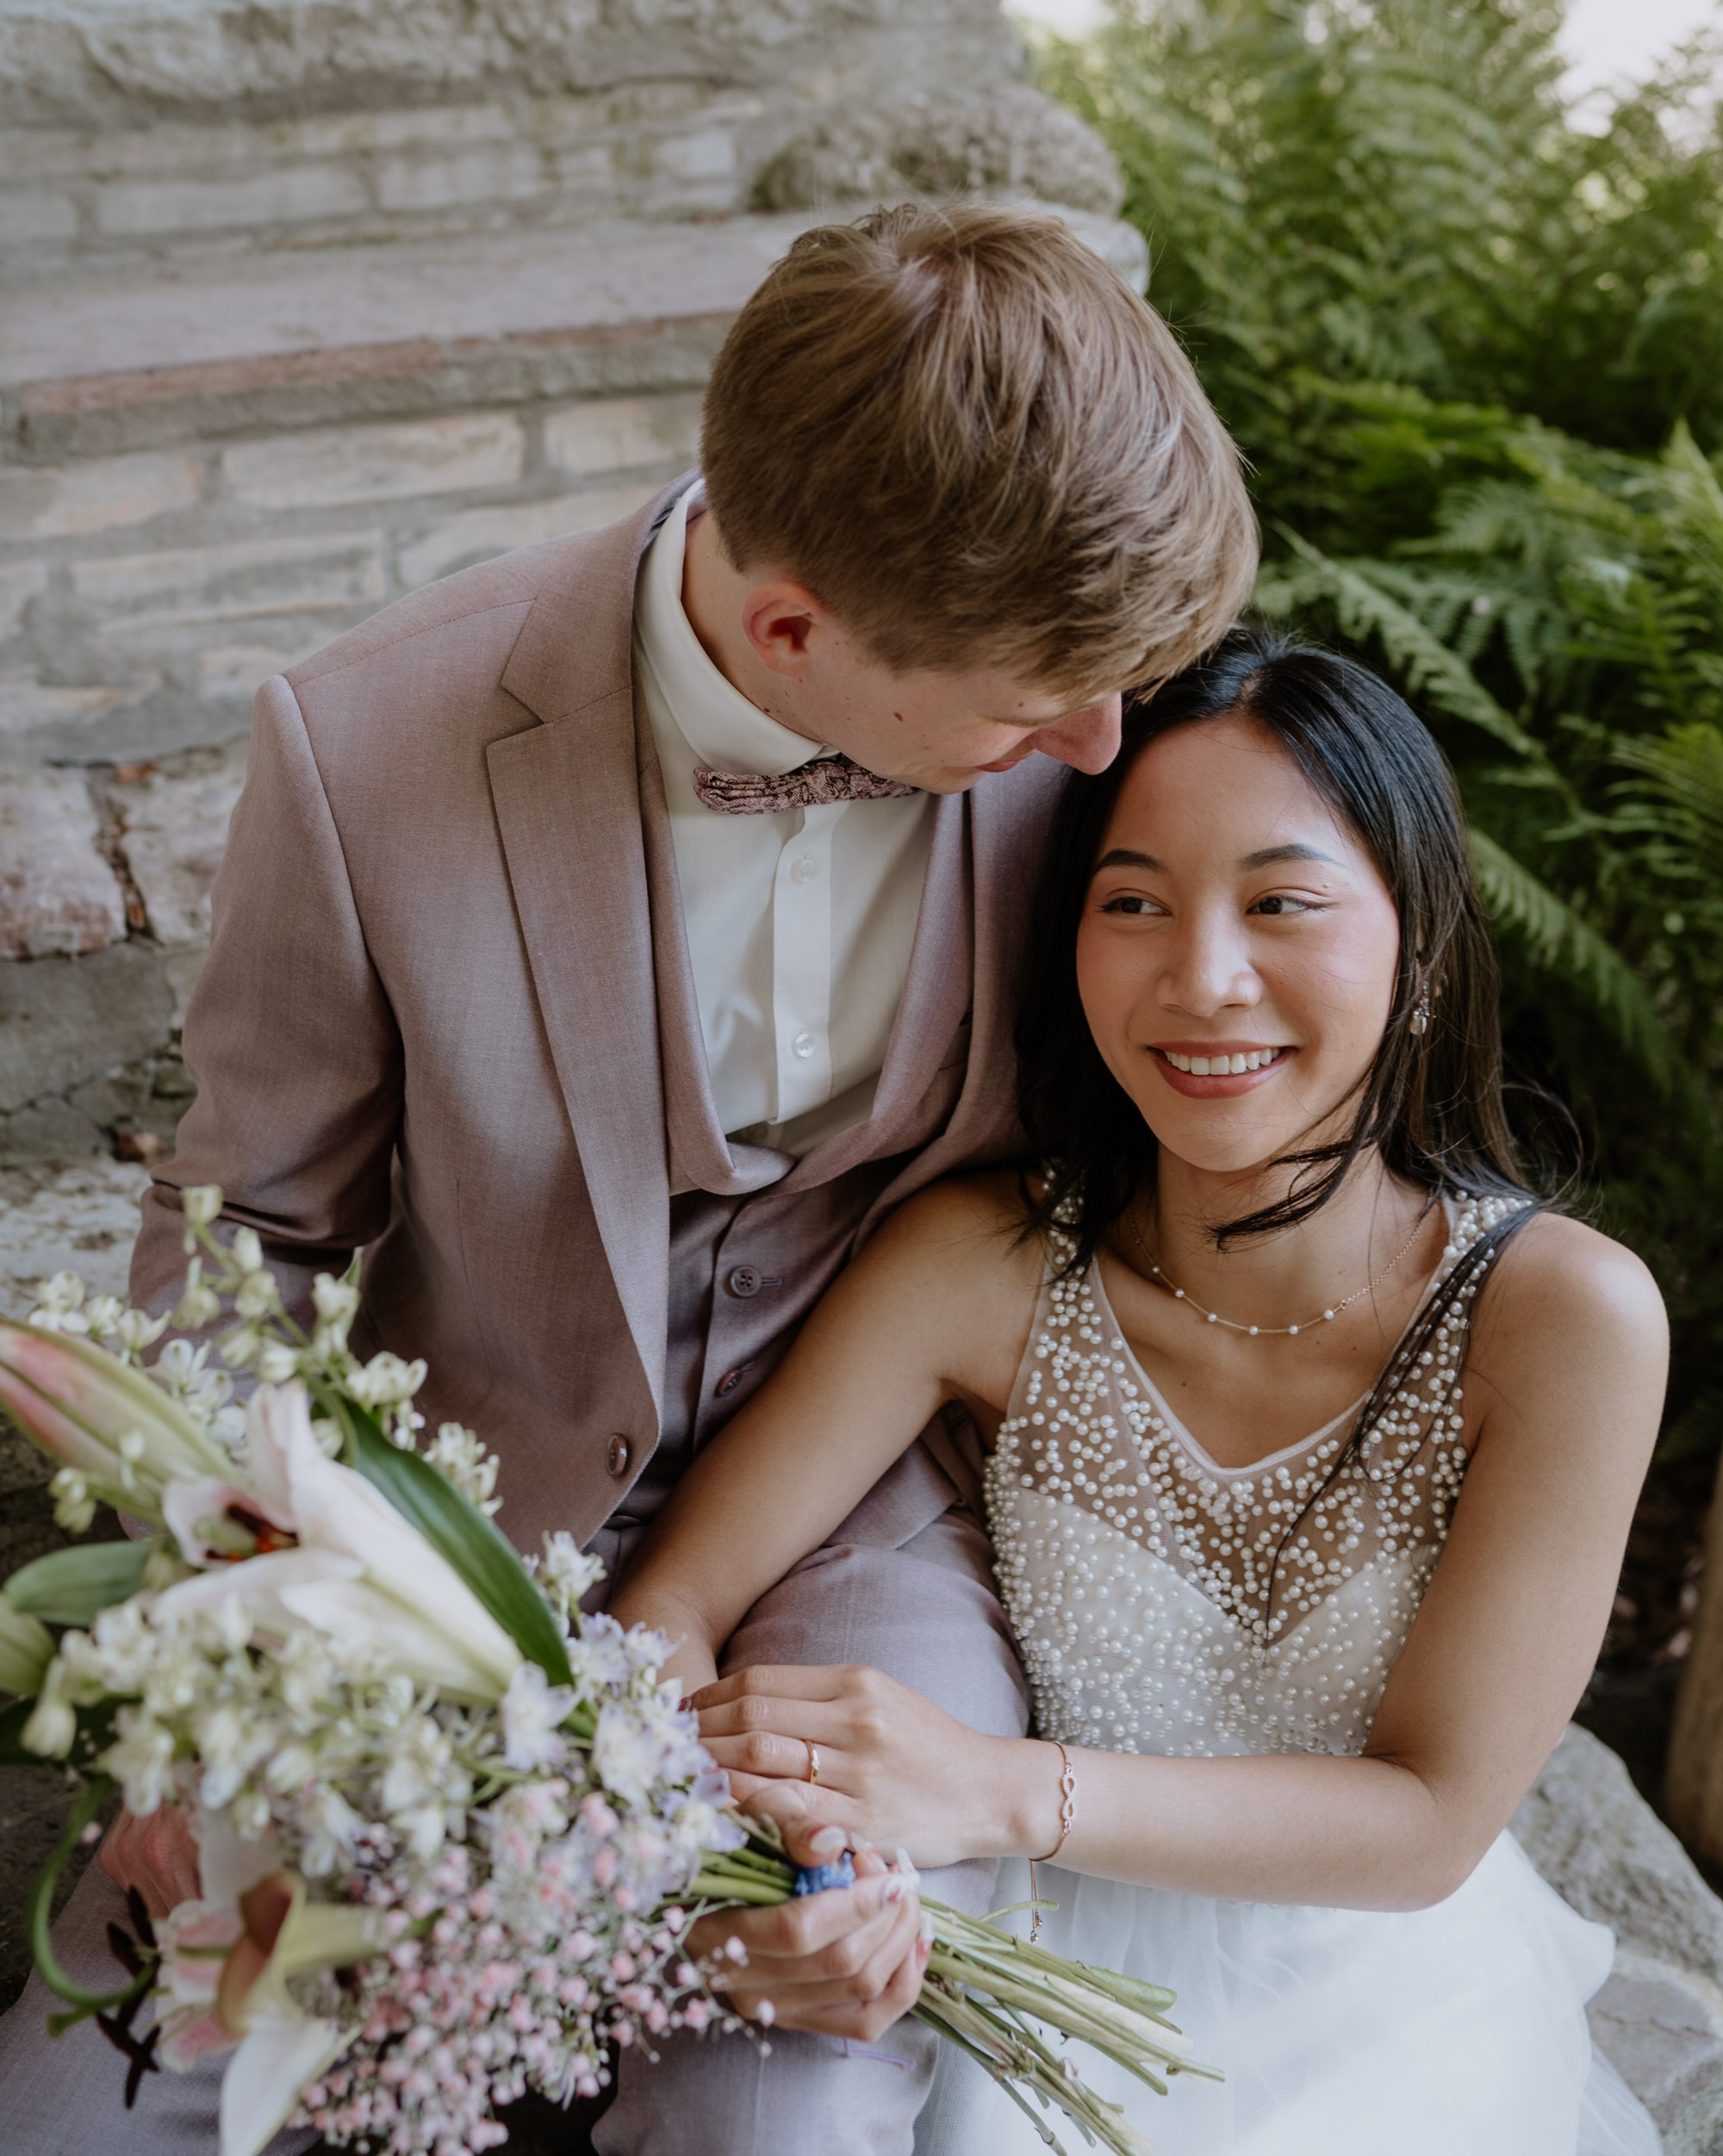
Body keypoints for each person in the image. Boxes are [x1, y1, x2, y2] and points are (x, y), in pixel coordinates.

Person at [0, 203, 1256, 2155]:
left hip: (857, 1526)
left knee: (787, 2108)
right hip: (436, 1517)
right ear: (786, 631)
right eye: (1039, 712)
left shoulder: (1077, 714)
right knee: (79, 2112)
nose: (1104, 749)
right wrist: (234, 1610)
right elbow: (248, 1226)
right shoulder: (362, 751)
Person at [613, 631, 1668, 2156]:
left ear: (1420, 948)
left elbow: (1434, 1820)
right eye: (1135, 905)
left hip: (1387, 2012)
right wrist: (769, 1875)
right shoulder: (978, 1263)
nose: (1204, 980)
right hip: (1030, 1998)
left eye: (1283, 901)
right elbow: (672, 1603)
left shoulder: (1559, 1317)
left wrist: (989, 1788)